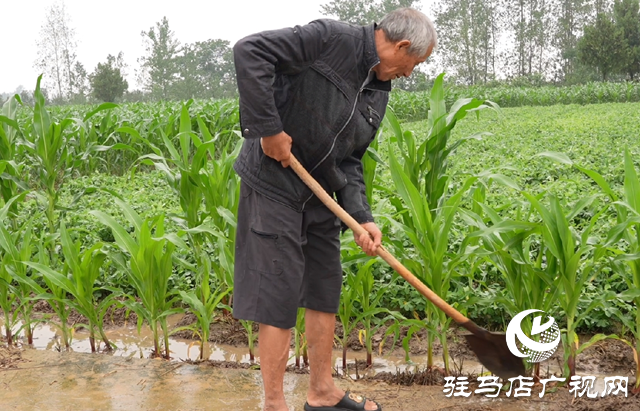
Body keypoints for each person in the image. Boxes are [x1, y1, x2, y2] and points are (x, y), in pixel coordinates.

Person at [232, 8, 437, 411]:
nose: (410, 74)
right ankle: (274, 404)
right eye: (413, 64)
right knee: (278, 292)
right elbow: (249, 51)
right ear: (401, 46)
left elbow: (349, 159)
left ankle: (321, 392)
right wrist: (268, 129)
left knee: (324, 288)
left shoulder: (378, 88)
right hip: (275, 184)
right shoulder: (329, 39)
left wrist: (362, 217)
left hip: (321, 194)